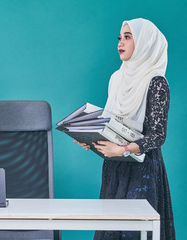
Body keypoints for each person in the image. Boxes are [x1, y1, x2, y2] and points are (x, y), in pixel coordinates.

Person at [74, 18, 175, 240]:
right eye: (120, 38)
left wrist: (125, 149)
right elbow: (112, 125)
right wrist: (89, 139)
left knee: (135, 231)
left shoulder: (156, 82)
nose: (121, 42)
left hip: (143, 169)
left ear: (145, 43)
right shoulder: (116, 79)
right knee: (111, 229)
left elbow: (158, 135)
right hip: (114, 169)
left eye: (128, 37)